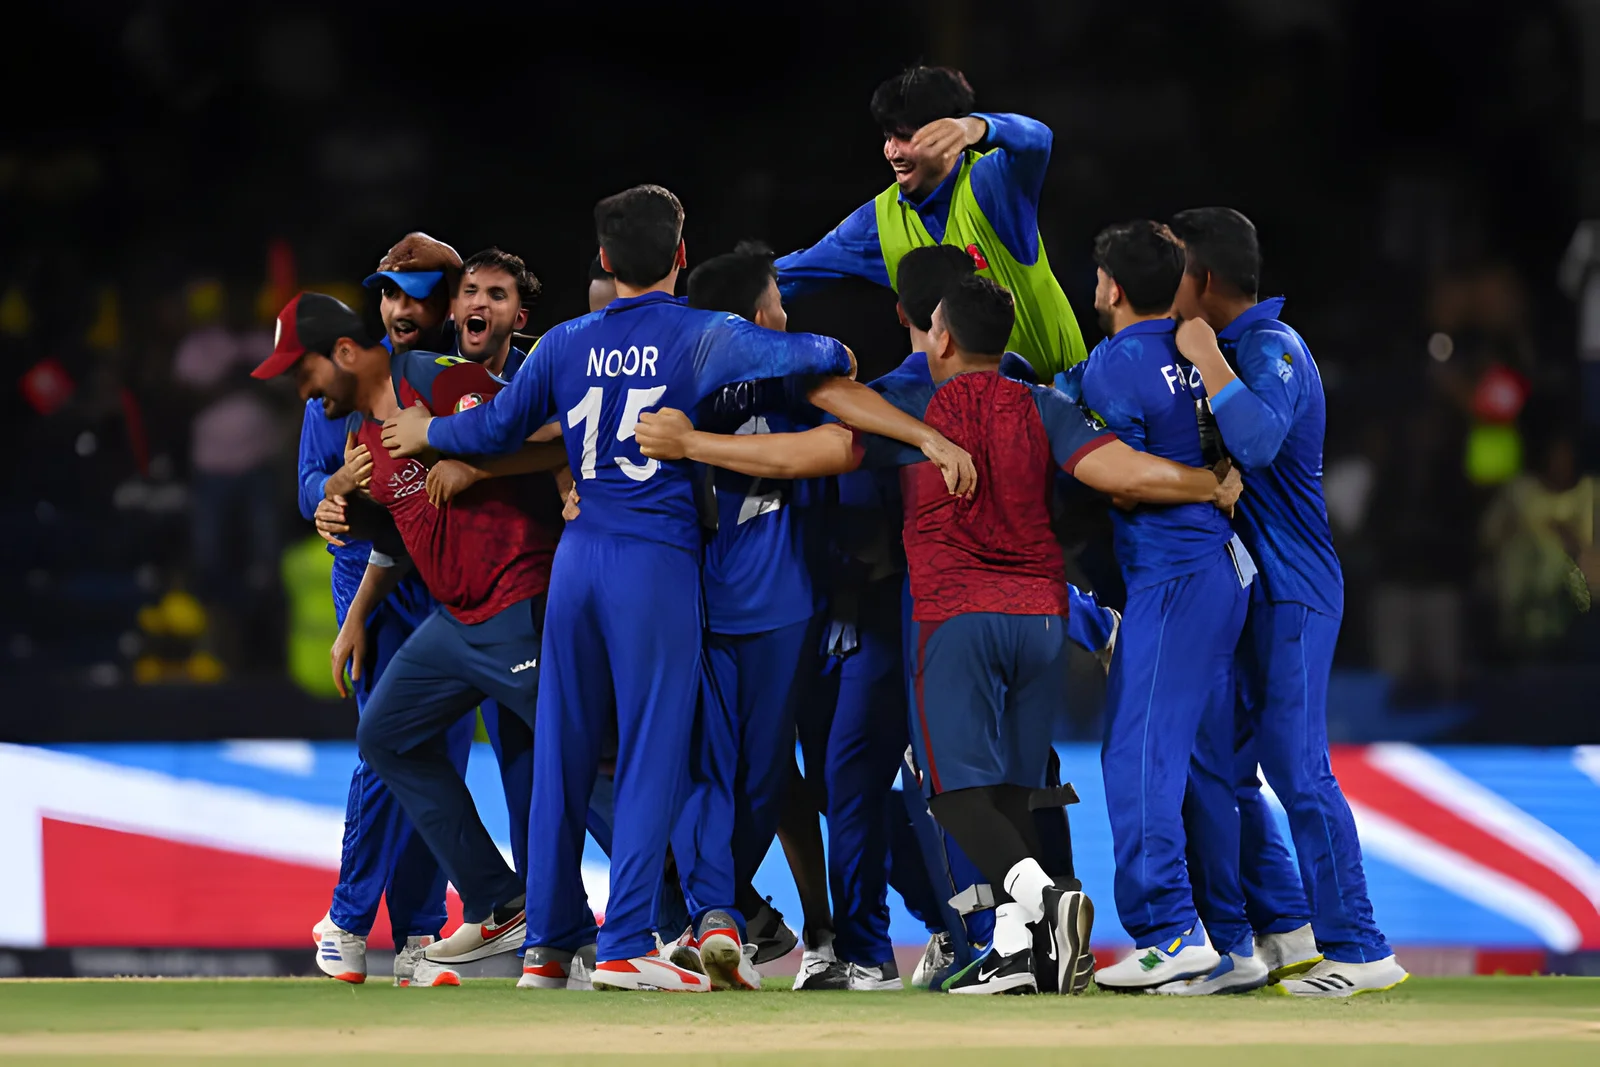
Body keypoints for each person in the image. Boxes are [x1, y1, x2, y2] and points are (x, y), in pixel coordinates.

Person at [635, 276, 1242, 995]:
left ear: (941, 336)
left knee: (954, 793)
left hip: (953, 618)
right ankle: (1020, 951)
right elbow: (1118, 470)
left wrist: (691, 442)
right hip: (1041, 618)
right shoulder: (1043, 403)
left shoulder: (912, 405)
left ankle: (1042, 907)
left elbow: (807, 457)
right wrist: (1206, 484)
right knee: (1018, 788)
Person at [380, 185, 872, 992]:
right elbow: (815, 357)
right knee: (650, 749)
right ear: (680, 257)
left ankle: (545, 946)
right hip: (654, 559)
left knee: (563, 751)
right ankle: (624, 943)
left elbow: (496, 429)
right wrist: (836, 352)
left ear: (605, 260)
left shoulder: (566, 341)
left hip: (578, 558)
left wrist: (429, 431)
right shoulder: (706, 334)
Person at [253, 291, 568, 989]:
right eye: (389, 288)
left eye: (302, 371)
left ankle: (667, 923)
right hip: (448, 611)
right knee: (390, 738)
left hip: (513, 597)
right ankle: (489, 904)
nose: (301, 391)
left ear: (341, 353)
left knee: (572, 761)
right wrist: (357, 608)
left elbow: (549, 431)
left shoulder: (434, 378)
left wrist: (461, 452)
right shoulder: (362, 430)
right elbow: (382, 526)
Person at [1170, 206, 1408, 996]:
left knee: (1299, 770)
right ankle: (1276, 934)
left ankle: (1362, 949)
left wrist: (1206, 357)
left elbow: (1263, 442)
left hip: (1295, 591)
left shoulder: (1272, 347)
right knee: (1229, 766)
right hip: (1246, 594)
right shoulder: (1231, 348)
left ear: (1203, 281)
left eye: (1174, 270)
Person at [1063, 221, 1258, 993]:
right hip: (1221, 570)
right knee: (1206, 764)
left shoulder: (1115, 365)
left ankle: (1168, 930)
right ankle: (1233, 939)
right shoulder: (1197, 348)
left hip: (1170, 579)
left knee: (1137, 756)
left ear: (1109, 287)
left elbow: (1118, 478)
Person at [776, 65, 1086, 381]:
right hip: (969, 420)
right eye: (887, 136)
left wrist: (977, 126)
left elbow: (1039, 140)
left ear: (947, 133)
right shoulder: (875, 223)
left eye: (906, 136)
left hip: (1067, 407)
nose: (891, 151)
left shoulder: (991, 186)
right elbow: (787, 277)